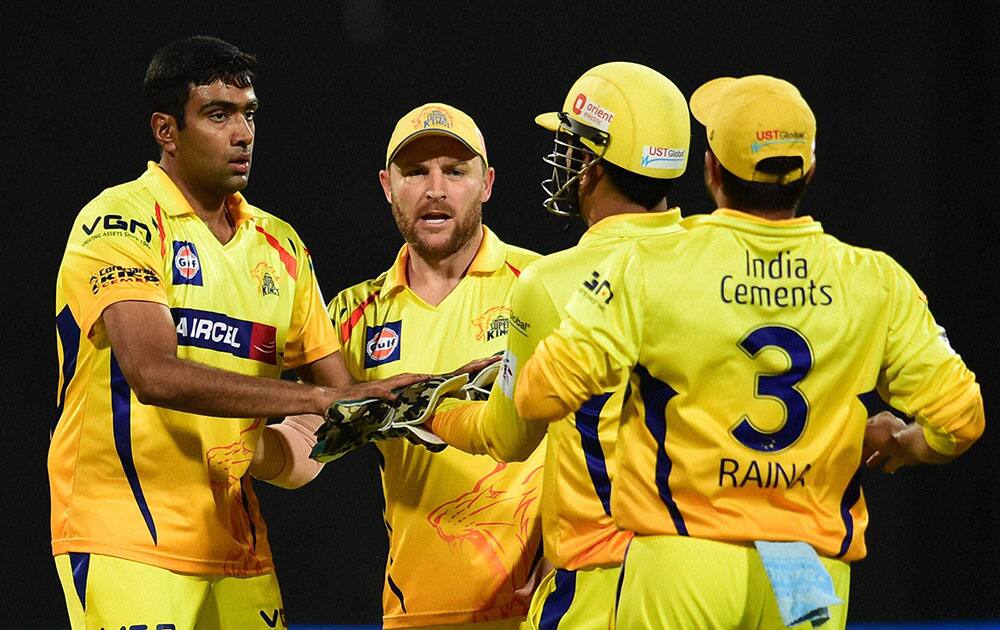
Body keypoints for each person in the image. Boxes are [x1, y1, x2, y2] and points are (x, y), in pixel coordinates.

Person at [514, 75, 985, 628]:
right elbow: (961, 421)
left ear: (710, 170)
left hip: (686, 559)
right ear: (808, 170)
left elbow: (539, 394)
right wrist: (905, 442)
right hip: (810, 572)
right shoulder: (875, 281)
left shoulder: (651, 267)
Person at [50, 35, 419, 630]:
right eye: (217, 115)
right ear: (166, 130)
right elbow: (155, 375)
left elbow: (337, 403)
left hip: (239, 549)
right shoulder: (118, 220)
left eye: (248, 113)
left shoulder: (280, 246)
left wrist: (426, 390)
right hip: (127, 538)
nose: (242, 132)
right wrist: (321, 399)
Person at [254, 103, 546, 629]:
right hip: (417, 613)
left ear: (487, 183)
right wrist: (238, 446)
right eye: (416, 172)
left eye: (455, 172)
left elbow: (608, 428)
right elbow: (308, 440)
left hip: (546, 609)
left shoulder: (543, 286)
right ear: (388, 186)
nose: (435, 189)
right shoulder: (351, 315)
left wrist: (574, 540)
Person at [427, 62, 690, 629]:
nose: (563, 161)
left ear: (592, 164)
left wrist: (432, 412)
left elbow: (506, 435)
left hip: (602, 579)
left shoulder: (549, 282)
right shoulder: (717, 263)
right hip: (706, 568)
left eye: (569, 145)